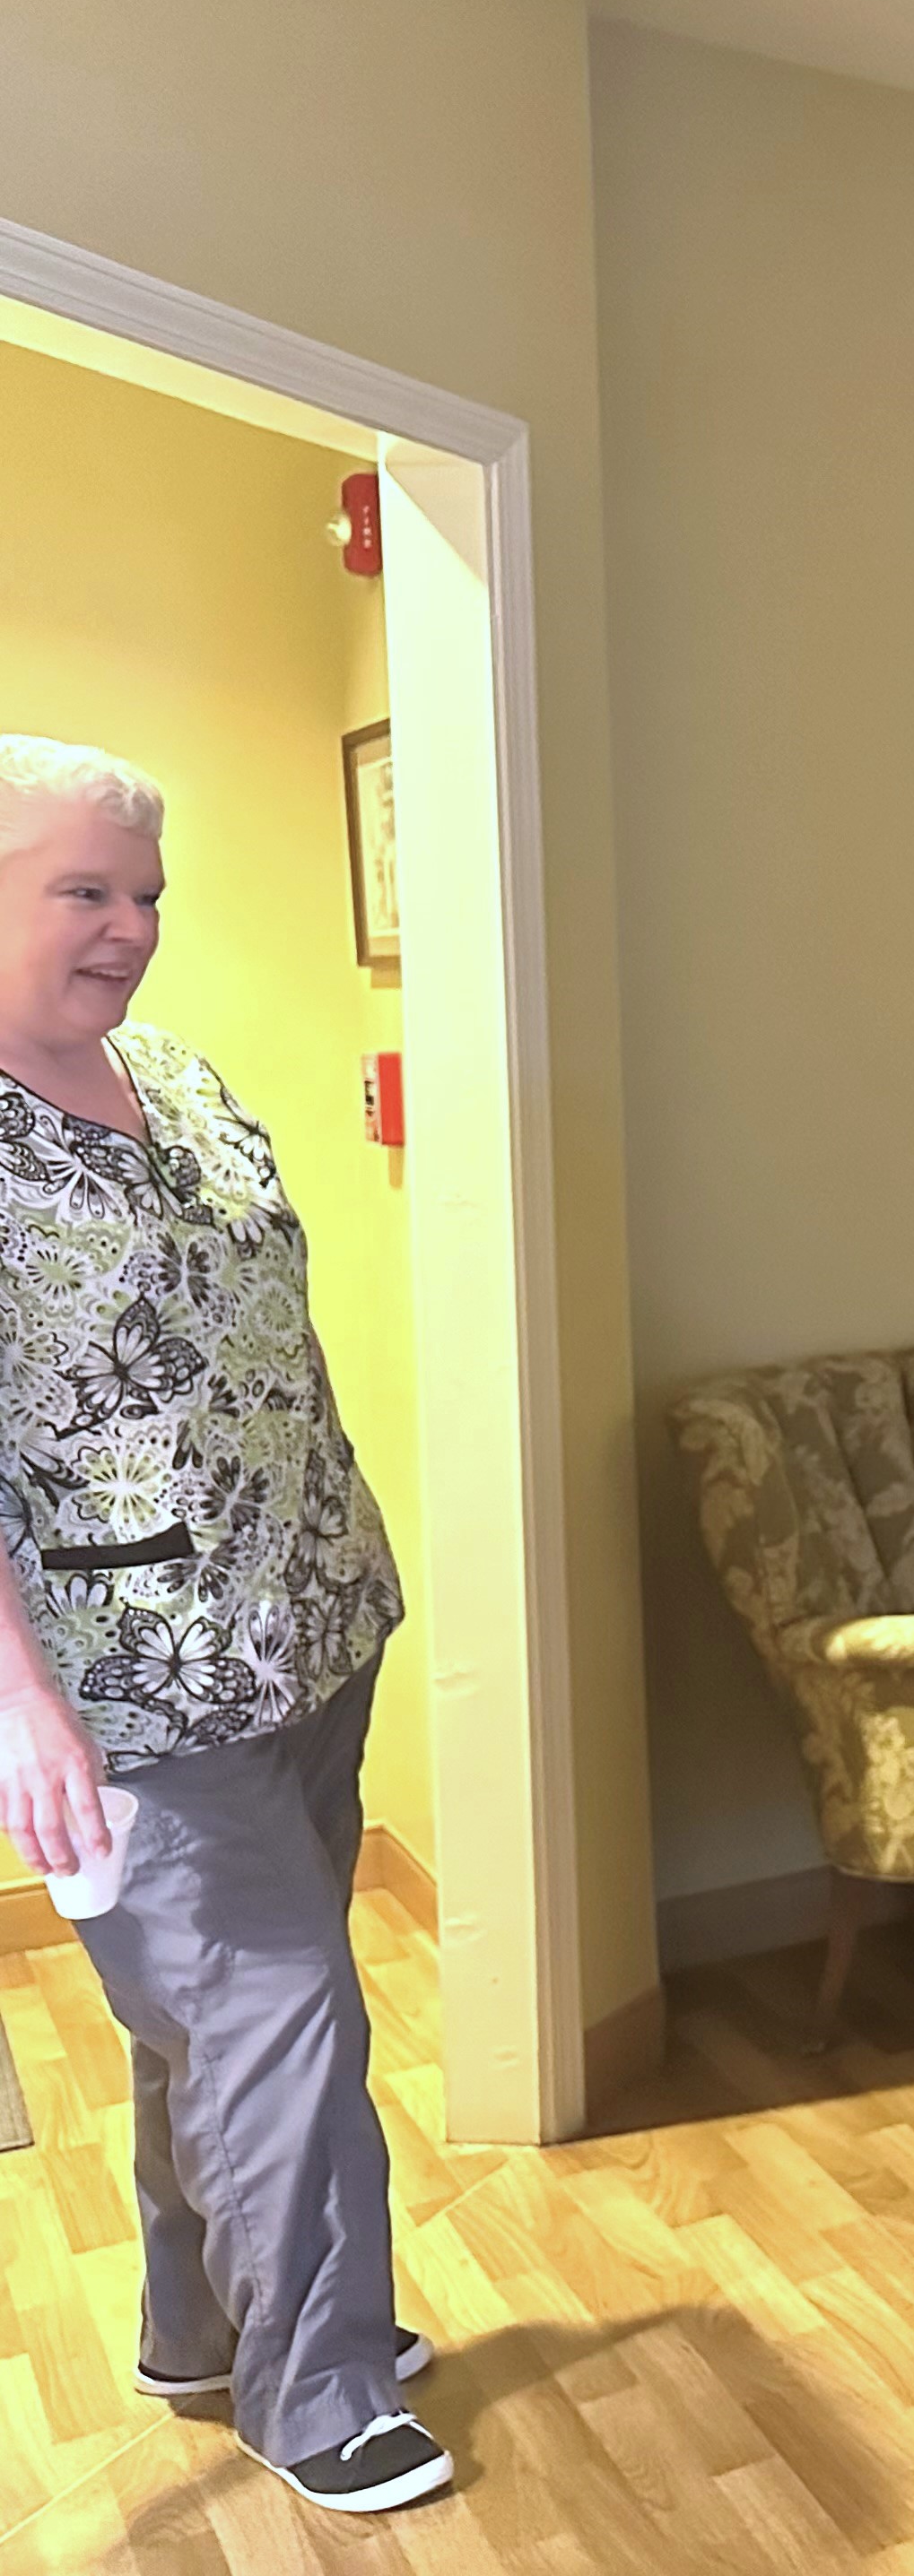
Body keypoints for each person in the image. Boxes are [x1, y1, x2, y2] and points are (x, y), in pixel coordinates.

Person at [0, 737, 444, 2512]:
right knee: (280, 2016)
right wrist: (21, 1710)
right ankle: (318, 2388)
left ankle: (206, 2323)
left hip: (314, 1618)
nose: (131, 929)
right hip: (133, 1685)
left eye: (148, 896)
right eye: (84, 892)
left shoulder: (166, 1074)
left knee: (216, 2024)